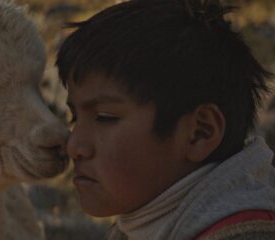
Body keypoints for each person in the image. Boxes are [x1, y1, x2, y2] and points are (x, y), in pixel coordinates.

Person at [55, 0, 275, 239]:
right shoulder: (144, 224)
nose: (74, 146)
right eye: (75, 117)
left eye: (105, 117)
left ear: (200, 132)